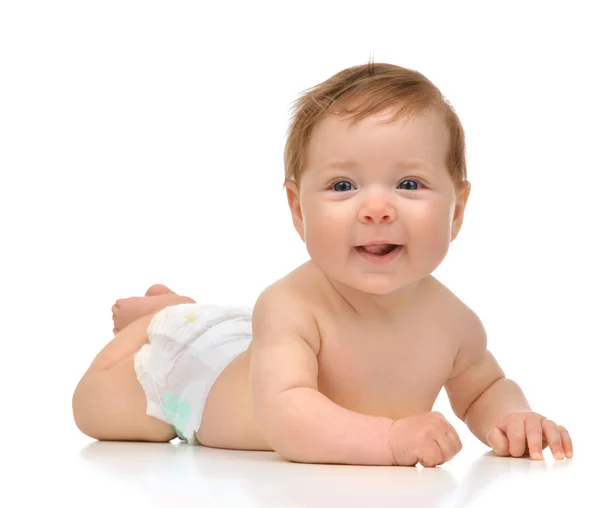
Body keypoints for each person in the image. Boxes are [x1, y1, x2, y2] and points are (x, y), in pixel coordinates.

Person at [72, 62, 574, 467]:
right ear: (298, 210)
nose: (377, 208)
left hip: (249, 345)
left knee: (239, 339)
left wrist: (513, 418)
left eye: (409, 184)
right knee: (95, 409)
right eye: (342, 186)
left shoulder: (455, 323)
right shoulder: (291, 304)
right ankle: (157, 322)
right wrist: (392, 440)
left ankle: (177, 311)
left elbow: (483, 388)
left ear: (456, 211)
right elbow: (288, 419)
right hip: (193, 385)